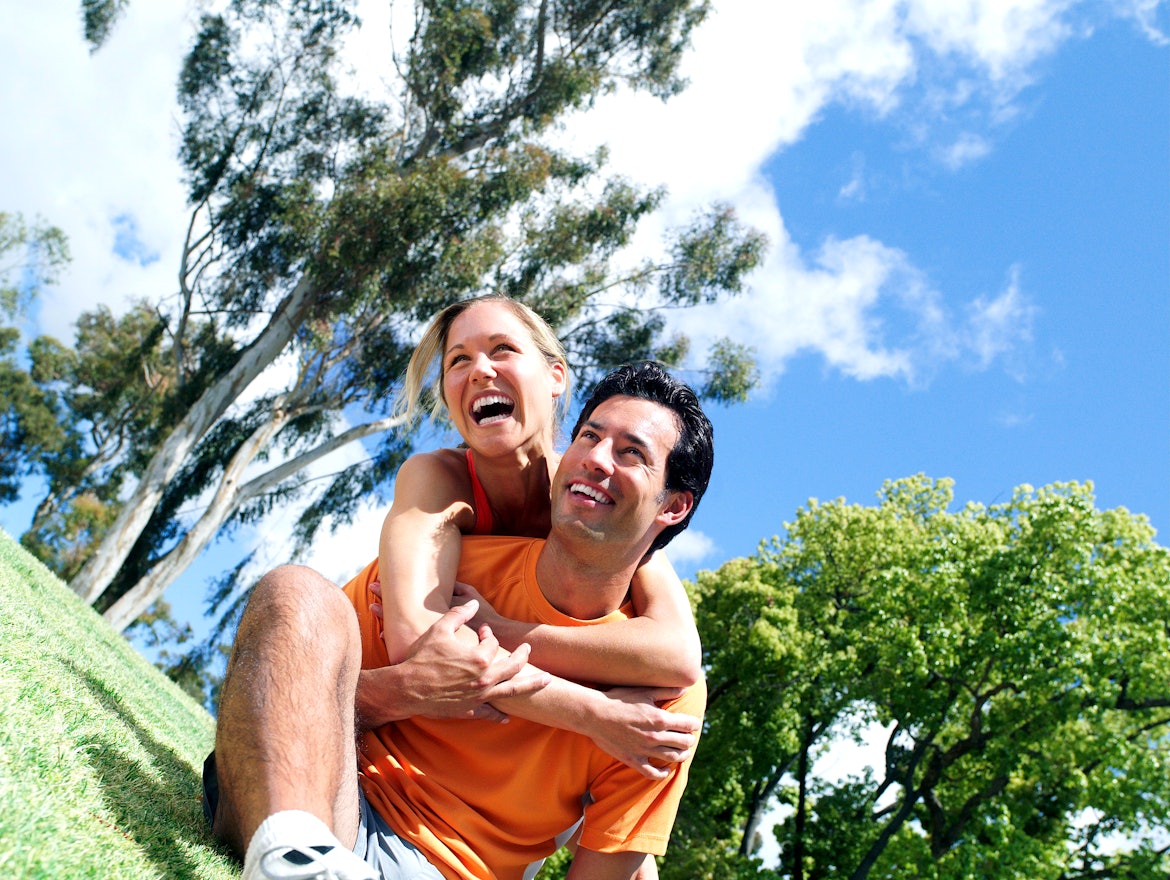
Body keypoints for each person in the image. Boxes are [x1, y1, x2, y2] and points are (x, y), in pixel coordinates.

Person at [208, 361, 713, 880]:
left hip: (450, 871)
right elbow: (288, 691)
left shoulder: (665, 701)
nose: (597, 460)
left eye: (632, 453)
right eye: (589, 436)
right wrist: (407, 688)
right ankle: (294, 858)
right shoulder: (446, 569)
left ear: (672, 506)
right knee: (297, 591)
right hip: (315, 800)